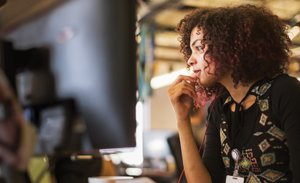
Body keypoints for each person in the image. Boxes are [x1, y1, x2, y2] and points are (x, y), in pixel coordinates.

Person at [167, 4, 300, 183]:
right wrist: (182, 120)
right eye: (191, 51)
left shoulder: (284, 91)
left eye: (199, 48)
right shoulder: (220, 107)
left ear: (230, 48)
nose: (190, 60)